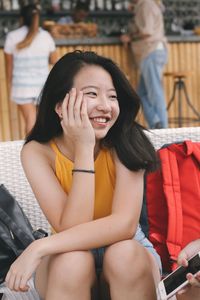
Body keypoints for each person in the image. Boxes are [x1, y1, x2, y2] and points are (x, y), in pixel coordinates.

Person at [5, 50, 161, 300]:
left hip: (127, 248)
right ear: (60, 105)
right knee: (71, 261)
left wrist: (39, 246)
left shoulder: (127, 140)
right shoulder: (38, 152)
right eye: (92, 94)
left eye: (112, 96)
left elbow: (125, 225)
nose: (105, 105)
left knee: (124, 255)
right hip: (67, 251)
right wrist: (84, 148)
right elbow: (71, 228)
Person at [4, 3, 58, 134]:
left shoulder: (12, 36)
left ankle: (30, 150)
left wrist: (10, 84)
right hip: (43, 85)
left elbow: (9, 66)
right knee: (40, 120)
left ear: (21, 19)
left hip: (22, 87)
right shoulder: (46, 36)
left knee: (30, 119)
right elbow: (54, 61)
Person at [121, 0, 168, 129]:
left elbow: (147, 30)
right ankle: (156, 123)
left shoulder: (146, 5)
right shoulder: (146, 5)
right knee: (142, 93)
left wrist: (130, 37)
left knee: (154, 92)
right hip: (151, 52)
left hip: (151, 51)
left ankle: (164, 129)